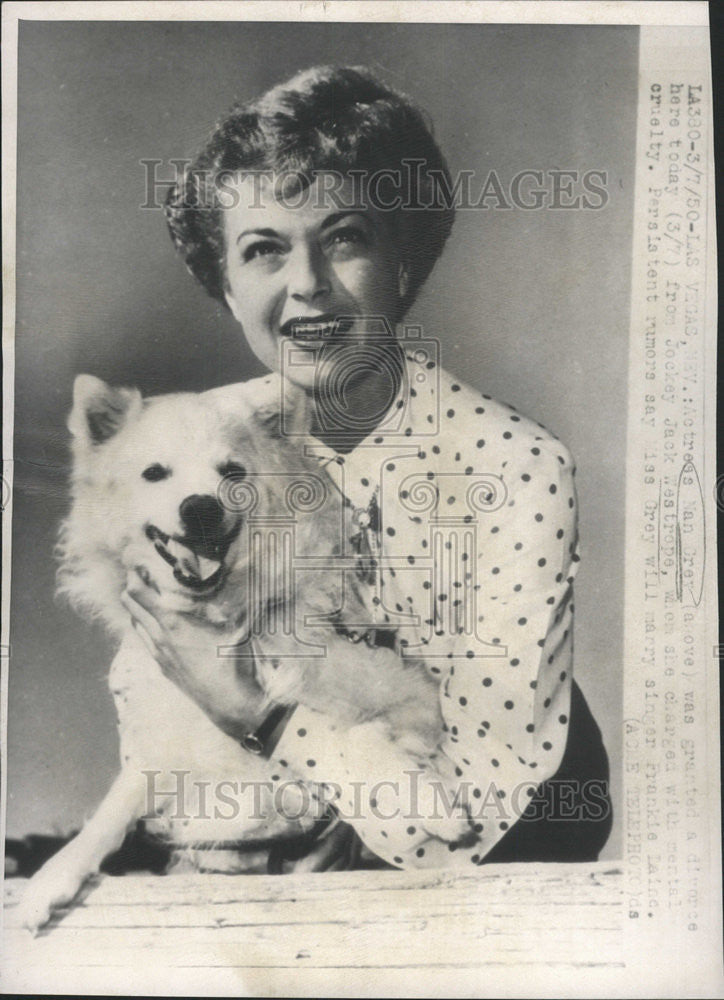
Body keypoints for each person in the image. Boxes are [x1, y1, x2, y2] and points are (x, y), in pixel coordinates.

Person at [123, 65, 612, 870]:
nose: (307, 286)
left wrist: (256, 714)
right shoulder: (195, 448)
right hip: (279, 847)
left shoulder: (514, 467)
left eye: (345, 238)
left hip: (502, 861)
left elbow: (469, 832)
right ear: (229, 288)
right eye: (263, 251)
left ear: (405, 261)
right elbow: (154, 706)